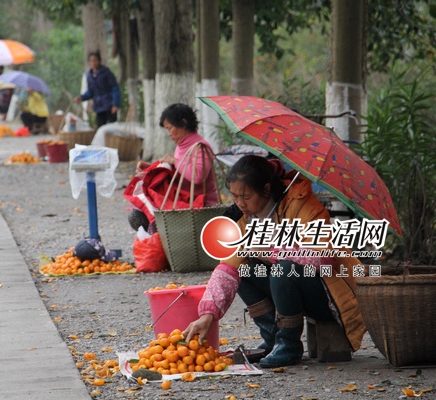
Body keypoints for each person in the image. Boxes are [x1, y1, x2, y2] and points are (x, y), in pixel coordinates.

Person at [183, 155, 366, 368]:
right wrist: (208, 314)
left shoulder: (302, 204)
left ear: (267, 190)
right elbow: (227, 268)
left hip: (327, 295)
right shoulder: (243, 218)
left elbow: (324, 258)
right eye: (234, 196)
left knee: (283, 269)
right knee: (244, 269)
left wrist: (270, 250)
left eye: (246, 196)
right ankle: (273, 338)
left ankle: (288, 344)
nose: (240, 203)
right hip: (289, 291)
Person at [127, 103, 220, 231]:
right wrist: (150, 170)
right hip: (182, 203)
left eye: (170, 128)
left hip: (201, 207)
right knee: (136, 216)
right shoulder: (181, 146)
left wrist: (174, 161)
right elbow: (179, 172)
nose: (169, 133)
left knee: (142, 219)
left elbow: (198, 176)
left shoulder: (201, 147)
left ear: (183, 123)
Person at [73, 52, 120, 128]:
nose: (93, 63)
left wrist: (115, 104)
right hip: (99, 107)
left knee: (112, 128)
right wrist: (81, 97)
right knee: (100, 128)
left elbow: (115, 87)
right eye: (91, 61)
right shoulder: (89, 76)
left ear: (99, 61)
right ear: (89, 62)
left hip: (109, 105)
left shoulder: (106, 73)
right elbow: (90, 92)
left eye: (95, 60)